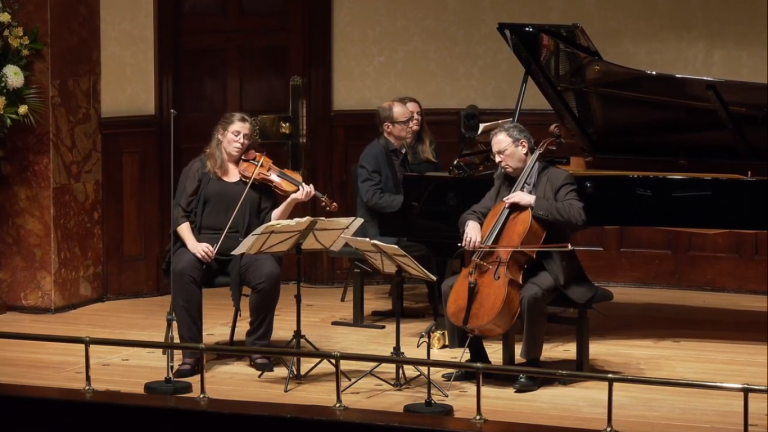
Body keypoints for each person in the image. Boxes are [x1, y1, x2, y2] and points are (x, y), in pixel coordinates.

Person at [439, 121, 595, 393]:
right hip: (506, 262)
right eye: (495, 155)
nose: (498, 161)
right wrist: (471, 223)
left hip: (549, 263)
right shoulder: (503, 180)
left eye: (501, 153)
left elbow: (577, 215)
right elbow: (476, 211)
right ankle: (476, 359)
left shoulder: (557, 179)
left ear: (523, 146)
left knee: (530, 295)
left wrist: (533, 201)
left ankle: (532, 366)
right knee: (449, 287)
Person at [161, 112, 315, 378]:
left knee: (269, 273)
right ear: (221, 134)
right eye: (236, 134)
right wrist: (194, 245)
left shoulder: (256, 172)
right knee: (182, 267)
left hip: (245, 248)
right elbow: (179, 214)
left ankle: (258, 347)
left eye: (246, 137)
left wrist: (291, 202)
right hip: (202, 247)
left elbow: (269, 220)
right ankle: (191, 353)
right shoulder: (199, 168)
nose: (242, 141)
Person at [354, 100, 441, 316]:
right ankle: (439, 304)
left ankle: (441, 301)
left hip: (395, 222)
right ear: (388, 127)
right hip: (378, 229)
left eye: (412, 119)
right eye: (405, 121)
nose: (411, 124)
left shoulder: (401, 151)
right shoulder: (372, 154)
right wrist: (407, 205)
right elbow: (372, 197)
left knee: (440, 236)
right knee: (429, 247)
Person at [395, 96, 440, 174]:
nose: (416, 118)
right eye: (411, 114)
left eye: (419, 114)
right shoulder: (394, 146)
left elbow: (439, 174)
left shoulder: (428, 144)